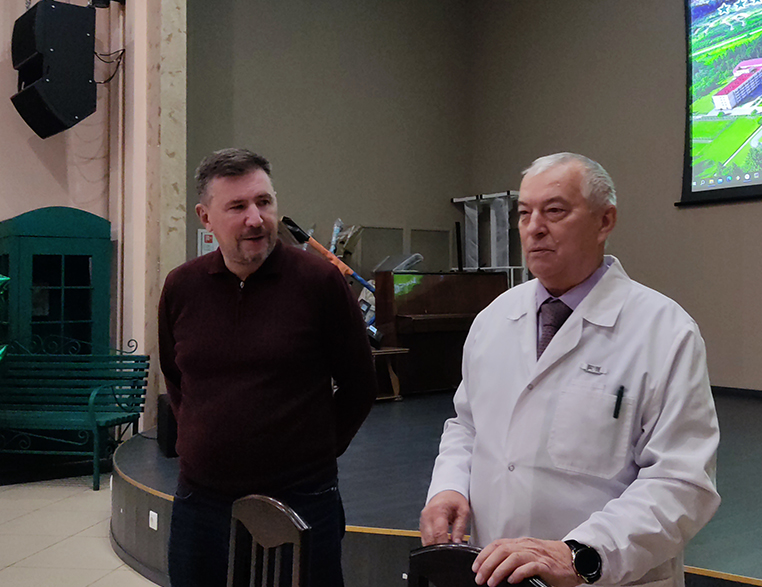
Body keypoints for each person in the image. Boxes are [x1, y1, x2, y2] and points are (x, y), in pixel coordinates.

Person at [420, 152, 720, 587]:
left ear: (605, 221)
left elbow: (681, 481)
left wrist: (581, 554)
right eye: (525, 213)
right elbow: (467, 425)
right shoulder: (493, 320)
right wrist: (449, 486)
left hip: (607, 575)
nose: (535, 227)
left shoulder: (664, 331)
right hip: (497, 571)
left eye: (555, 211)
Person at [159, 148, 376, 587]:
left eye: (264, 202)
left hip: (301, 498)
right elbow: (177, 378)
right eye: (237, 206)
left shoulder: (320, 283)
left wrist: (315, 451)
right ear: (205, 217)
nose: (256, 219)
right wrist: (200, 439)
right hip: (201, 502)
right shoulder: (181, 287)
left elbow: (359, 384)